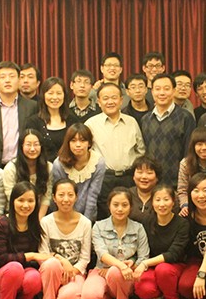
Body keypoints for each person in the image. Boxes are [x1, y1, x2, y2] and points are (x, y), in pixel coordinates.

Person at [0, 181, 50, 299]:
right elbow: (2, 258)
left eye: (30, 201)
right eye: (21, 200)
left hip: (23, 273)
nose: (25, 205)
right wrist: (31, 255)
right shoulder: (0, 224)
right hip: (0, 278)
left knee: (34, 277)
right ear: (12, 201)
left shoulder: (36, 225)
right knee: (14, 267)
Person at [83, 188, 150, 299]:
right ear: (109, 206)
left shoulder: (138, 228)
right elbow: (102, 254)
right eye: (115, 205)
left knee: (115, 272)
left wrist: (131, 264)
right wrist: (120, 266)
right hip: (101, 270)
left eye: (124, 205)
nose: (120, 209)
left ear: (131, 207)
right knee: (88, 298)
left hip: (128, 274)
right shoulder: (98, 227)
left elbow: (144, 257)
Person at [86, 82, 146, 220]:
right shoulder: (91, 124)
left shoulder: (132, 122)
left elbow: (141, 150)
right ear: (99, 102)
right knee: (105, 218)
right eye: (105, 98)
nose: (110, 102)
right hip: (103, 178)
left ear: (121, 100)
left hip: (128, 178)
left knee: (130, 216)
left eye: (114, 97)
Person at [37, 179, 93, 299]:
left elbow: (85, 258)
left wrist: (71, 272)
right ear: (54, 198)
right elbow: (43, 254)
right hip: (51, 270)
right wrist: (62, 262)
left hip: (75, 273)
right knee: (51, 264)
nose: (66, 199)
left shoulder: (85, 223)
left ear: (76, 197)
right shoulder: (45, 222)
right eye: (61, 195)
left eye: (70, 195)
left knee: (69, 297)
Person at [133, 185, 190, 299]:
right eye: (157, 200)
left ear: (173, 202)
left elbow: (173, 254)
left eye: (166, 199)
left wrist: (145, 263)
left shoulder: (182, 223)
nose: (162, 204)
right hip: (152, 267)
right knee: (144, 289)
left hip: (174, 266)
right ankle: (159, 295)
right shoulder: (146, 221)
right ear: (152, 202)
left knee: (163, 269)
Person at [0, 60, 39, 167]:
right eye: (2, 77)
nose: (7, 80)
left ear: (19, 80)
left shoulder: (32, 106)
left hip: (24, 165)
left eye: (12, 76)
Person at [141, 73, 196, 185]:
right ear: (152, 92)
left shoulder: (185, 117)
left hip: (176, 183)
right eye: (157, 89)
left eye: (166, 89)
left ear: (174, 91)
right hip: (151, 183)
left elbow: (189, 153)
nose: (162, 93)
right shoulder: (145, 119)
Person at [50, 123, 105, 223]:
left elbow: (93, 196)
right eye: (73, 140)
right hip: (63, 214)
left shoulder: (98, 162)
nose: (78, 144)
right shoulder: (59, 164)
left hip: (88, 216)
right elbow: (60, 197)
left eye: (83, 140)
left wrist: (86, 223)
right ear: (68, 143)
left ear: (89, 143)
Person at [3, 129, 53, 219]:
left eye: (36, 144)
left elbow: (46, 197)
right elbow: (11, 197)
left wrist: (38, 220)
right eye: (28, 145)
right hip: (16, 214)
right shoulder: (11, 168)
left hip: (40, 214)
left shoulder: (48, 167)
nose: (32, 149)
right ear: (21, 146)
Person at [25, 77, 70, 161]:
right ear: (43, 95)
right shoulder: (33, 122)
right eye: (50, 93)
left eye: (59, 93)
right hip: (42, 167)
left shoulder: (72, 120)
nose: (55, 97)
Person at [128, 155, 161, 223]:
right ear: (133, 176)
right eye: (140, 172)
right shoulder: (126, 195)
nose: (144, 177)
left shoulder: (166, 196)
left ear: (157, 177)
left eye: (149, 173)